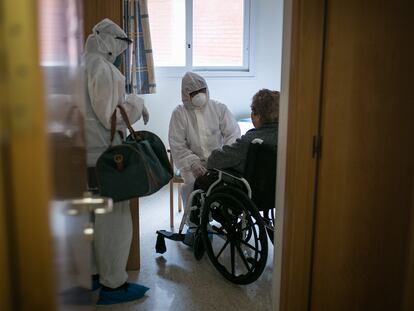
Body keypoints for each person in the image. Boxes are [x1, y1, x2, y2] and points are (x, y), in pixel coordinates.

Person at [83, 18, 149, 305]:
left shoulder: (79, 66)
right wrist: (137, 103)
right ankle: (114, 285)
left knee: (90, 219)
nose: (122, 51)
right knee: (114, 221)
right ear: (109, 41)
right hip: (106, 159)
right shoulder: (104, 70)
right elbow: (111, 117)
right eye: (121, 45)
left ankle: (94, 275)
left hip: (83, 158)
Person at [168, 72, 241, 211]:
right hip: (192, 164)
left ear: (207, 89)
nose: (199, 95)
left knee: (227, 185)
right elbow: (177, 144)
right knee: (192, 186)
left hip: (219, 160)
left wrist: (224, 157)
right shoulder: (179, 113)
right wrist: (192, 162)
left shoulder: (219, 108)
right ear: (186, 95)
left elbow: (233, 134)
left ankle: (223, 215)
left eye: (202, 90)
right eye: (194, 92)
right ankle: (194, 221)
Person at [200, 89, 279, 183]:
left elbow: (214, 160)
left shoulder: (251, 141)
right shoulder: (288, 137)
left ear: (257, 115)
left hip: (252, 193)